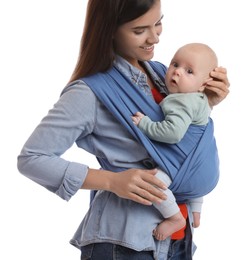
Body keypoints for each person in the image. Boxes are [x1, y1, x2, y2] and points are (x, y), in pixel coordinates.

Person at [17, 0, 230, 259]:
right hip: (125, 242)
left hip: (177, 240)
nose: (155, 37)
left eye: (158, 23)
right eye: (140, 30)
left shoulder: (163, 74)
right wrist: (112, 181)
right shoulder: (89, 93)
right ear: (110, 30)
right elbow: (32, 158)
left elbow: (176, 144)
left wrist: (206, 102)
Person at [132, 42, 218, 241]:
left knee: (154, 184)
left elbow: (173, 133)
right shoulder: (201, 99)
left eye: (189, 71)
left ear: (204, 83)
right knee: (192, 170)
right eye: (175, 64)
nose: (177, 72)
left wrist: (145, 124)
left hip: (188, 168)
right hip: (206, 170)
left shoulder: (180, 101)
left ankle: (174, 218)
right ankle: (195, 211)